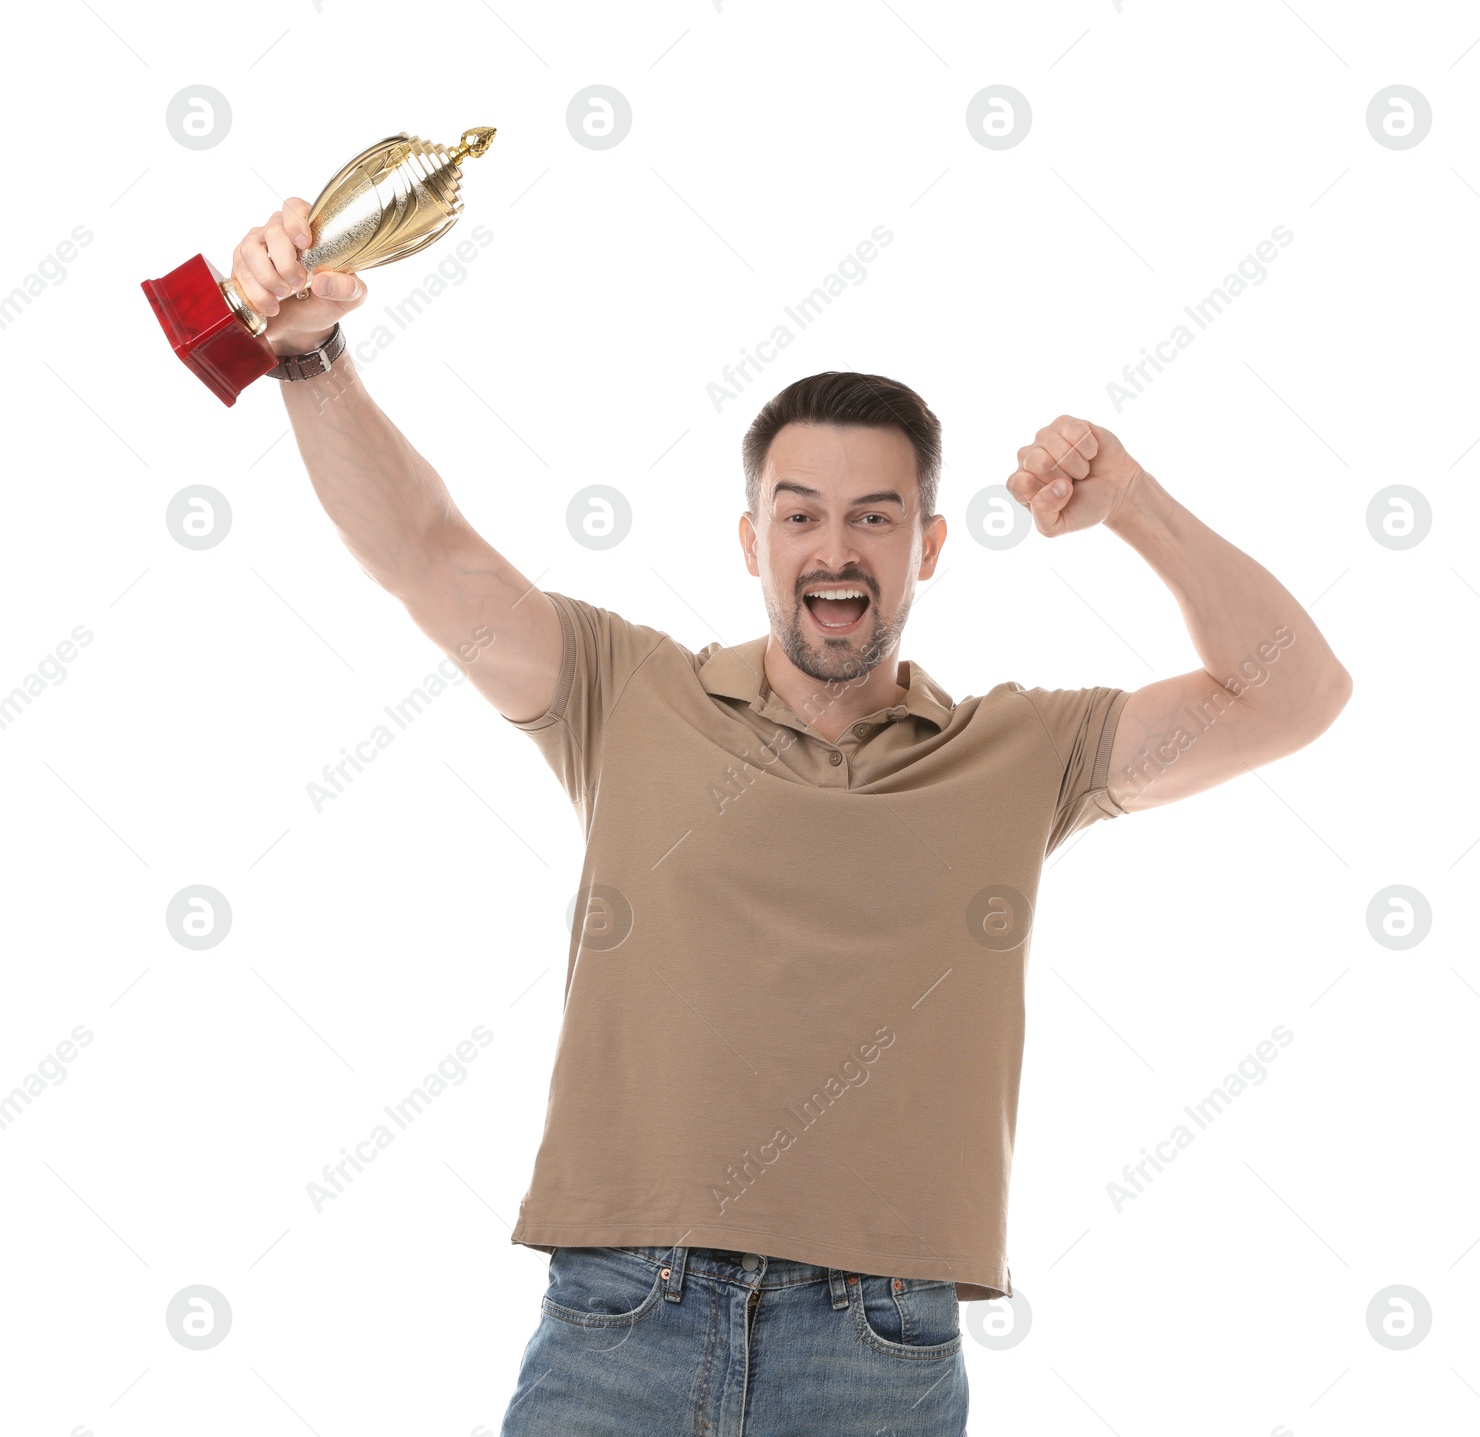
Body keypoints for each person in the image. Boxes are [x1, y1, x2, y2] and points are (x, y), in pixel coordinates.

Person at [233, 199, 1353, 1437]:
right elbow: (423, 551)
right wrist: (307, 357)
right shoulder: (624, 691)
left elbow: (1292, 693)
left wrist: (1133, 502)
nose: (837, 546)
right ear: (750, 541)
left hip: (877, 1346)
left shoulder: (1026, 752)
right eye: (800, 512)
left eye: (875, 516)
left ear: (926, 548)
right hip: (623, 1317)